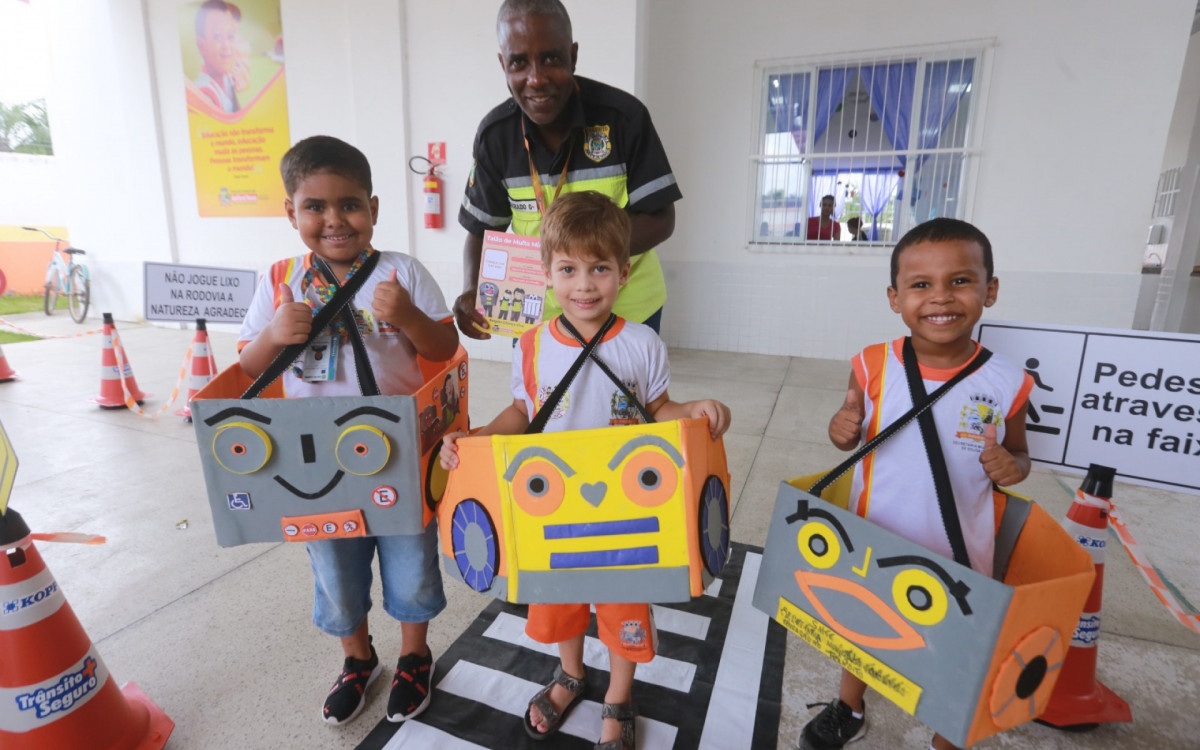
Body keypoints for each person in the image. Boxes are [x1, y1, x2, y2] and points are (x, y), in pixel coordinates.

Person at [439, 191, 731, 750]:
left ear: (623, 272)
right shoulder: (530, 346)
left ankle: (619, 696)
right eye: (569, 269)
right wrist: (475, 440)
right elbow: (523, 413)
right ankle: (571, 674)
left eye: (600, 268)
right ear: (546, 275)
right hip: (552, 514)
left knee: (624, 603)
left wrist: (694, 411)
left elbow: (659, 410)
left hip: (625, 511)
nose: (585, 284)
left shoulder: (642, 343)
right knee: (560, 603)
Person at [238, 135, 459, 726]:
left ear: (375, 208)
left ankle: (415, 655)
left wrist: (407, 315)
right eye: (315, 207)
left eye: (350, 204)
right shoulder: (281, 278)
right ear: (291, 212)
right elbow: (251, 366)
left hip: (398, 453)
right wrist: (275, 334)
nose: (335, 220)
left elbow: (444, 346)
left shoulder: (401, 271)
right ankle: (357, 658)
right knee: (335, 563)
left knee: (411, 558)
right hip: (314, 462)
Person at [803, 218, 1032, 750]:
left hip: (958, 548)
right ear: (895, 297)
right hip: (870, 539)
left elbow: (1020, 454)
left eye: (961, 280)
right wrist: (840, 429)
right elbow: (849, 433)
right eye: (921, 285)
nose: (941, 298)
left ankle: (946, 730)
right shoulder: (872, 363)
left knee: (949, 647)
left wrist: (1012, 467)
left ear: (989, 290)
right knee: (861, 628)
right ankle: (849, 704)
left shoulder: (1008, 382)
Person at [455, 0, 681, 338]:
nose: (536, 78)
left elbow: (661, 218)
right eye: (519, 62)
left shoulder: (624, 118)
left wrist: (582, 259)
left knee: (625, 395)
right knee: (538, 394)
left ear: (573, 56)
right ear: (503, 64)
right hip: (539, 321)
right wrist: (472, 288)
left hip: (628, 313)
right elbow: (481, 230)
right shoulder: (496, 136)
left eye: (551, 58)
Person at [192, 0, 250, 114]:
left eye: (230, 36)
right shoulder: (205, 95)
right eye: (218, 36)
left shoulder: (225, 75)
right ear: (201, 45)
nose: (226, 46)